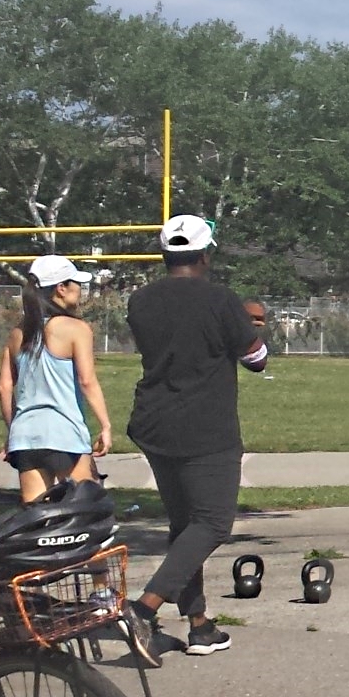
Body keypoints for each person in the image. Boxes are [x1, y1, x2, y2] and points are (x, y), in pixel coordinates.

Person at [121, 214, 268, 664]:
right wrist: (255, 328)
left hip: (155, 422)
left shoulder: (140, 300)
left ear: (166, 255)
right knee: (213, 523)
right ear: (206, 255)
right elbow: (255, 359)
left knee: (185, 526)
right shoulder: (221, 300)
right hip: (206, 426)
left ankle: (199, 626)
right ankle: (144, 609)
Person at [0, 255, 112, 503]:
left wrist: (12, 430)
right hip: (64, 432)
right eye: (76, 283)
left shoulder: (18, 333)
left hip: (25, 435)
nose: (80, 290)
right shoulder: (76, 329)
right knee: (86, 509)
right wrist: (105, 425)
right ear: (61, 288)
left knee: (37, 517)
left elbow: (5, 387)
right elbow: (87, 381)